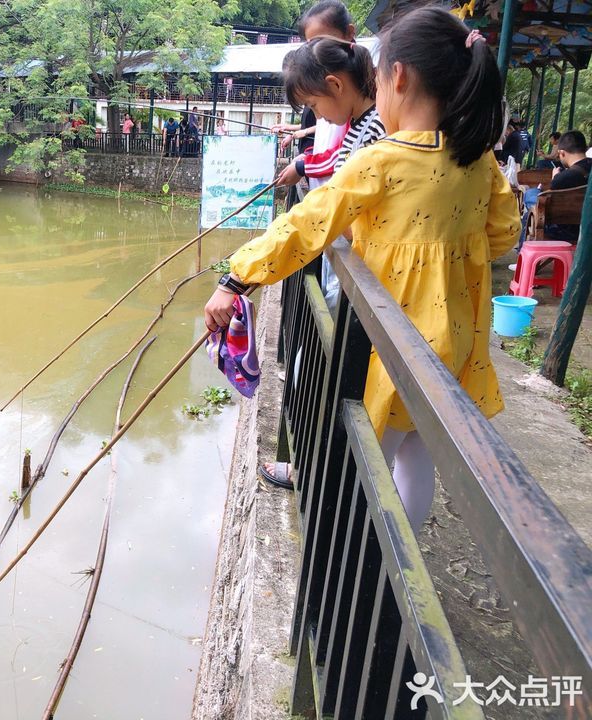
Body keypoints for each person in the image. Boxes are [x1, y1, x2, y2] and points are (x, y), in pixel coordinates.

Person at [204, 7, 520, 533]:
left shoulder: (383, 160)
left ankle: (364, 559)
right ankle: (400, 570)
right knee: (419, 454)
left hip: (394, 336)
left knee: (370, 451)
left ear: (397, 77)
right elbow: (504, 235)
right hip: (460, 335)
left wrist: (235, 277)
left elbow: (307, 225)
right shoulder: (477, 159)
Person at [281, 36, 386, 313]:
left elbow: (342, 209)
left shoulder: (375, 130)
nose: (318, 116)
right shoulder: (357, 126)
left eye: (314, 105)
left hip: (369, 271)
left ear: (335, 84)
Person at [270, 0, 357, 189]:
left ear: (350, 34)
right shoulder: (324, 92)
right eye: (310, 45)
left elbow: (346, 155)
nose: (315, 54)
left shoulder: (351, 102)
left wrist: (303, 166)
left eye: (322, 42)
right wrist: (307, 156)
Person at [544, 130, 591, 242]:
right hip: (588, 227)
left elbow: (549, 202)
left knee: (530, 208)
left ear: (562, 153)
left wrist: (555, 178)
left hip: (569, 232)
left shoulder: (562, 178)